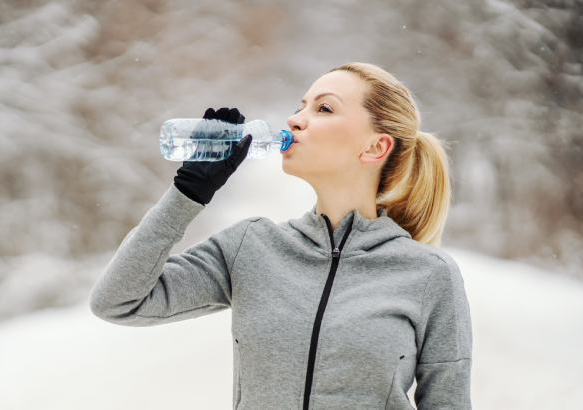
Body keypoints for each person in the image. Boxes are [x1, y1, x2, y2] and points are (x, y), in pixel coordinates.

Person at [90, 62, 472, 410]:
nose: (295, 119)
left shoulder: (428, 274)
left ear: (375, 146)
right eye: (300, 106)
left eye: (323, 108)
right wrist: (187, 194)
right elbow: (118, 301)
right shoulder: (251, 247)